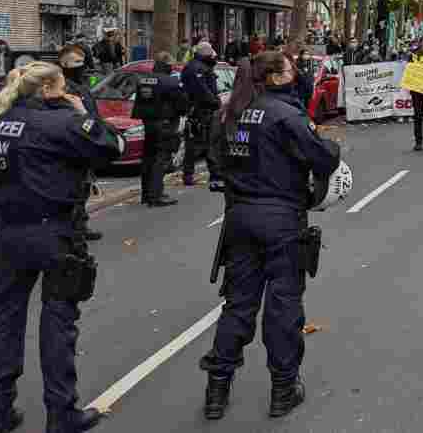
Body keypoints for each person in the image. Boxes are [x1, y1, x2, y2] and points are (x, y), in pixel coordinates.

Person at [199, 51, 341, 420]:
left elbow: (216, 164)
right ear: (276, 77)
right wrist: (330, 147)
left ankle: (216, 388)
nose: (296, 73)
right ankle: (283, 388)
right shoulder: (285, 115)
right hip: (281, 218)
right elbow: (323, 159)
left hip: (239, 217)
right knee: (283, 306)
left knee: (238, 304)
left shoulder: (229, 114)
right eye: (291, 69)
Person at [0, 62, 126, 433]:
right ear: (51, 88)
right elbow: (112, 146)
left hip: (6, 232)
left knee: (4, 321)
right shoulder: (62, 123)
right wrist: (83, 112)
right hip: (53, 232)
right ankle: (61, 412)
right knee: (58, 323)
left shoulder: (0, 122)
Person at [59, 46, 105, 243]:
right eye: (77, 64)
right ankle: (73, 229)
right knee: (75, 189)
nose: (82, 68)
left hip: (87, 143)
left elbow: (91, 112)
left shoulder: (81, 84)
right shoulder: (64, 87)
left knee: (84, 187)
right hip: (74, 145)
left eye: (82, 63)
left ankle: (80, 225)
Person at [132, 52, 188, 207]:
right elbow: (182, 104)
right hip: (165, 124)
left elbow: (139, 104)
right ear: (167, 66)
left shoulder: (143, 79)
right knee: (161, 159)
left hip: (148, 124)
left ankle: (146, 194)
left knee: (148, 158)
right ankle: (156, 195)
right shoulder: (170, 82)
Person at [182, 42, 222, 188]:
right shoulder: (196, 68)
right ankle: (197, 174)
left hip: (201, 110)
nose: (213, 56)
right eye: (211, 53)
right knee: (203, 144)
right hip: (201, 111)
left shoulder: (197, 66)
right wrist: (214, 102)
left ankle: (194, 174)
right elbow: (202, 91)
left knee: (202, 144)